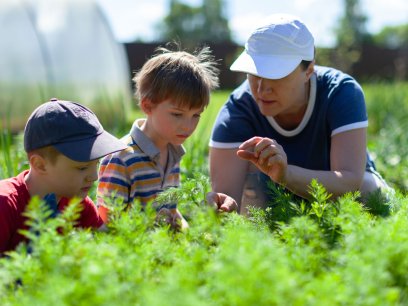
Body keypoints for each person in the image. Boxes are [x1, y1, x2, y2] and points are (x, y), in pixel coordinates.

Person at [209, 13, 391, 214]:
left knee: (370, 194)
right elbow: (226, 197)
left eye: (275, 74)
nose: (262, 88)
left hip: (336, 195)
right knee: (249, 194)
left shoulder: (340, 92)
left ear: (309, 70)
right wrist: (222, 207)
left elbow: (349, 181)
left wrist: (286, 175)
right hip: (273, 200)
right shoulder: (238, 109)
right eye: (254, 72)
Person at [97, 46, 237, 229]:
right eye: (177, 114)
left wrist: (189, 231)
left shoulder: (173, 153)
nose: (188, 126)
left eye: (196, 115)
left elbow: (170, 211)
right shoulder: (121, 158)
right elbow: (109, 223)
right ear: (148, 106)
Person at [0, 98, 127, 255]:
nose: (94, 176)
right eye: (82, 168)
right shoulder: (5, 205)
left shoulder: (78, 204)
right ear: (40, 164)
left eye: (97, 163)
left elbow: (110, 248)